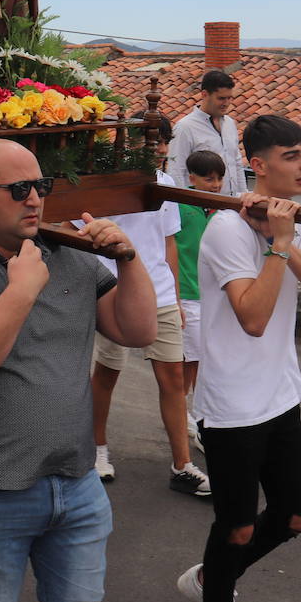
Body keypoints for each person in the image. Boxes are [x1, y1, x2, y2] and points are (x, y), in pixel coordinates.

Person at [0, 138, 155, 602]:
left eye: (40, 185)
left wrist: (129, 259)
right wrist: (20, 291)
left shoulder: (70, 255)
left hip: (76, 482)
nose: (36, 199)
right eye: (19, 188)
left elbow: (137, 329)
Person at [177, 115, 301, 602]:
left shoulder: (297, 220)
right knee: (238, 528)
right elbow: (253, 317)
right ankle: (217, 592)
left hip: (280, 393)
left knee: (295, 517)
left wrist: (281, 236)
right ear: (258, 166)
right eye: (292, 156)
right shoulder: (226, 228)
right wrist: (278, 245)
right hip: (229, 404)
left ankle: (209, 578)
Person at [90, 116, 211, 497]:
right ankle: (97, 451)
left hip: (158, 292)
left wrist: (174, 298)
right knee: (107, 373)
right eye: (150, 142)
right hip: (115, 291)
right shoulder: (106, 184)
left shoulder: (167, 184)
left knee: (173, 380)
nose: (158, 150)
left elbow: (168, 244)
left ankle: (182, 465)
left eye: (162, 143)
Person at [177, 149, 226, 443]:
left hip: (212, 296)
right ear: (192, 178)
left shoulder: (221, 210)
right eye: (209, 179)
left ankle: (193, 414)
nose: (216, 185)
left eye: (219, 179)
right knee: (192, 361)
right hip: (188, 295)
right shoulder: (180, 207)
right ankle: (189, 414)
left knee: (202, 359)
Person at [168, 70, 246, 198]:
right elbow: (176, 171)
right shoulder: (185, 127)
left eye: (229, 98)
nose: (226, 103)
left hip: (232, 204)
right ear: (204, 94)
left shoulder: (230, 124)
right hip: (202, 206)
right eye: (221, 98)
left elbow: (236, 163)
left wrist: (243, 196)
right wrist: (184, 208)